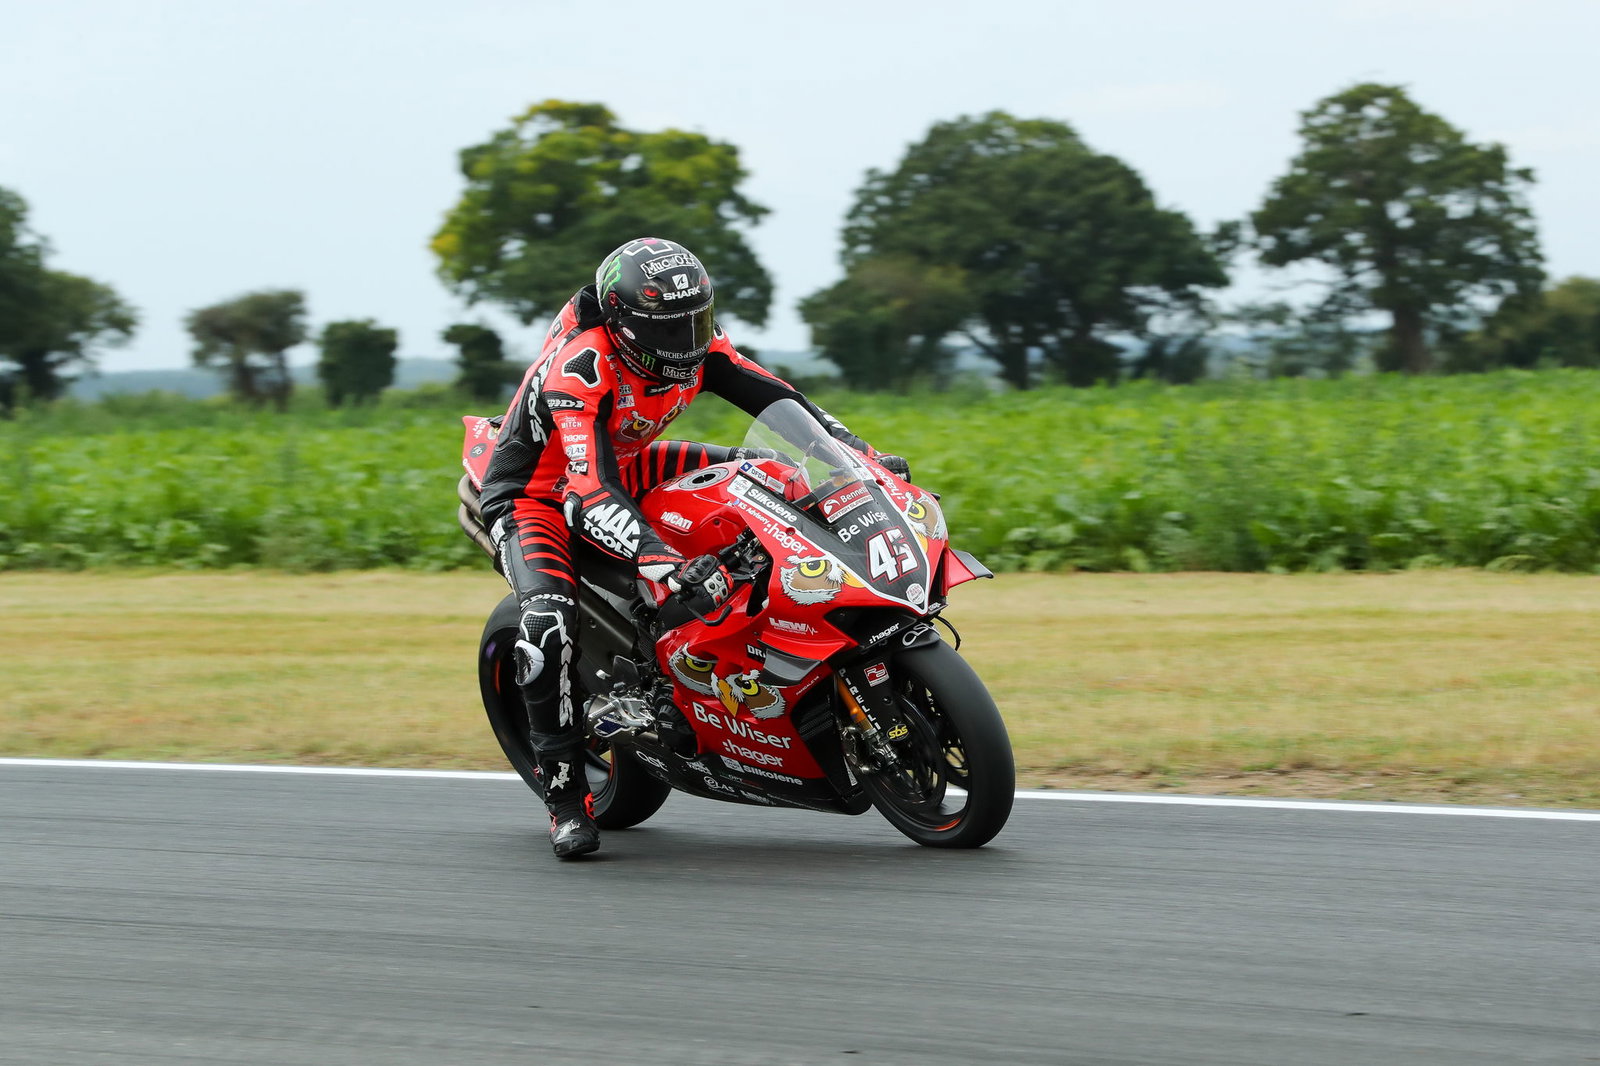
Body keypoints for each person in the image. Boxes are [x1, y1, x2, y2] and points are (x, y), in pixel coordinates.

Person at [479, 236, 904, 859]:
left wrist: (857, 461)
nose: (690, 341)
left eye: (698, 320)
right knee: (548, 623)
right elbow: (590, 490)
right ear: (624, 325)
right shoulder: (582, 369)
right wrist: (663, 562)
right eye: (671, 327)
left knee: (767, 473)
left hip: (628, 463)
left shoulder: (696, 344)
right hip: (539, 493)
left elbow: (778, 399)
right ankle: (565, 799)